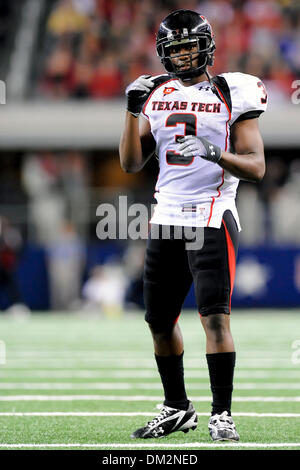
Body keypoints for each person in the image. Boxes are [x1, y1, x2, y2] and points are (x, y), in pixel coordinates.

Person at [119, 9, 267, 441]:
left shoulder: (232, 90)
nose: (184, 55)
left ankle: (222, 413)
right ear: (164, 53)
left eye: (190, 46)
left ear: (207, 46)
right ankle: (176, 406)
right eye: (176, 48)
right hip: (166, 216)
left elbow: (256, 167)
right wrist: (130, 111)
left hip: (210, 214)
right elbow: (130, 163)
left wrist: (214, 152)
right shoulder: (155, 92)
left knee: (214, 319)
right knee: (158, 321)